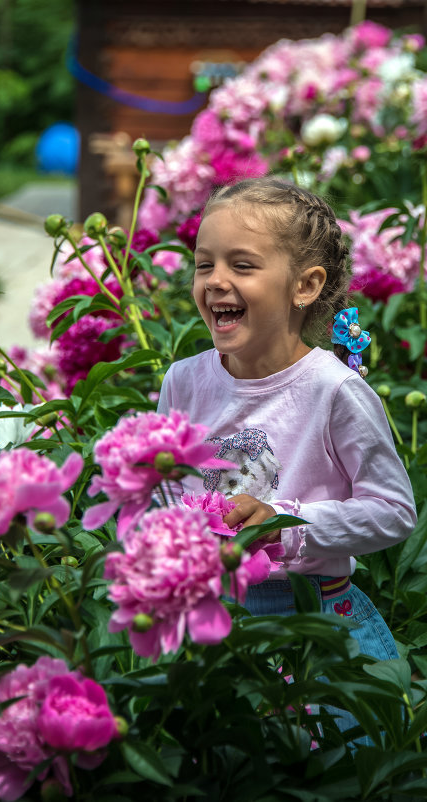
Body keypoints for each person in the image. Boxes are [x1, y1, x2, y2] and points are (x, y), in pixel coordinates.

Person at [157, 177, 417, 730]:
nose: (216, 281)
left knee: (325, 765)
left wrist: (285, 523)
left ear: (305, 285)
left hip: (315, 618)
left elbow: (394, 511)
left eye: (242, 266)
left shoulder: (334, 391)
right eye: (205, 265)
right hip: (210, 617)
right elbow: (164, 493)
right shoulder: (184, 382)